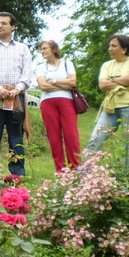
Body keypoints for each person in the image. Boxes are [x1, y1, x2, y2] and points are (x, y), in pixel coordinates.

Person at [0, 12, 33, 176]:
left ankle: (17, 171)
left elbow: (27, 71)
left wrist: (17, 89)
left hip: (16, 97)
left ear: (12, 27)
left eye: (3, 23)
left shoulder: (23, 48)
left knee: (16, 135)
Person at [86, 35, 129, 160]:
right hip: (110, 107)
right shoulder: (107, 65)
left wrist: (112, 79)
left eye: (114, 46)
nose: (110, 48)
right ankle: (84, 174)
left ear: (124, 49)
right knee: (95, 140)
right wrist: (124, 80)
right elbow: (102, 84)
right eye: (109, 46)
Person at [37, 40, 80, 173]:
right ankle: (60, 170)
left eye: (45, 48)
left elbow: (72, 82)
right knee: (54, 137)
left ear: (54, 49)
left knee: (71, 135)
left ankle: (76, 168)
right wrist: (63, 83)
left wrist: (54, 81)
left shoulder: (67, 64)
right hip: (47, 102)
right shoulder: (41, 67)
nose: (42, 51)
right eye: (41, 49)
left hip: (66, 101)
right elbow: (42, 86)